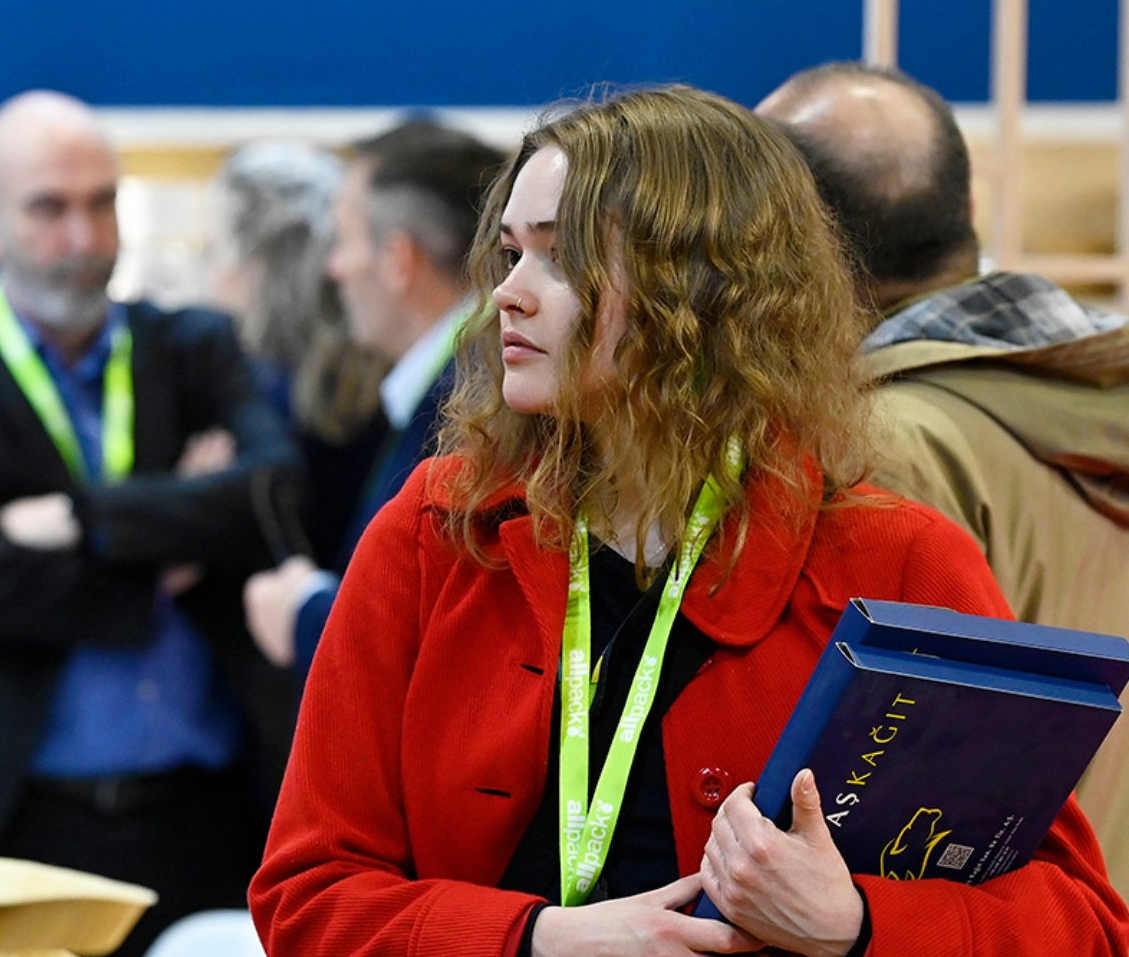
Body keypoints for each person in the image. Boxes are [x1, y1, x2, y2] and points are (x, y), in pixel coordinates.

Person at [250, 85, 1126, 956]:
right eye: (511, 254)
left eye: (560, 259)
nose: (508, 296)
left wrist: (856, 925)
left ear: (698, 291)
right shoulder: (436, 529)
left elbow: (1082, 926)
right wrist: (540, 941)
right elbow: (306, 895)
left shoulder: (896, 556)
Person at [0, 90, 301, 957]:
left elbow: (272, 502)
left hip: (211, 818)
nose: (84, 239)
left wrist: (80, 517)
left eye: (102, 202)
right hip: (9, 815)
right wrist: (174, 544)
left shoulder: (195, 348)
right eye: (50, 209)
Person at [757, 61, 1129, 891]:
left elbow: (888, 793)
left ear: (782, 242)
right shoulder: (1099, 379)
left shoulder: (872, 443)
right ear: (968, 208)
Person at [241, 120, 506, 683]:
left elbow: (442, 640)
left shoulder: (472, 407)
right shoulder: (469, 385)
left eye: (345, 240)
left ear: (398, 260)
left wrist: (307, 610)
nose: (333, 267)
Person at [205, 139, 388, 611]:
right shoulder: (371, 379)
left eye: (219, 248)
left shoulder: (277, 398)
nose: (214, 276)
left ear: (264, 257)